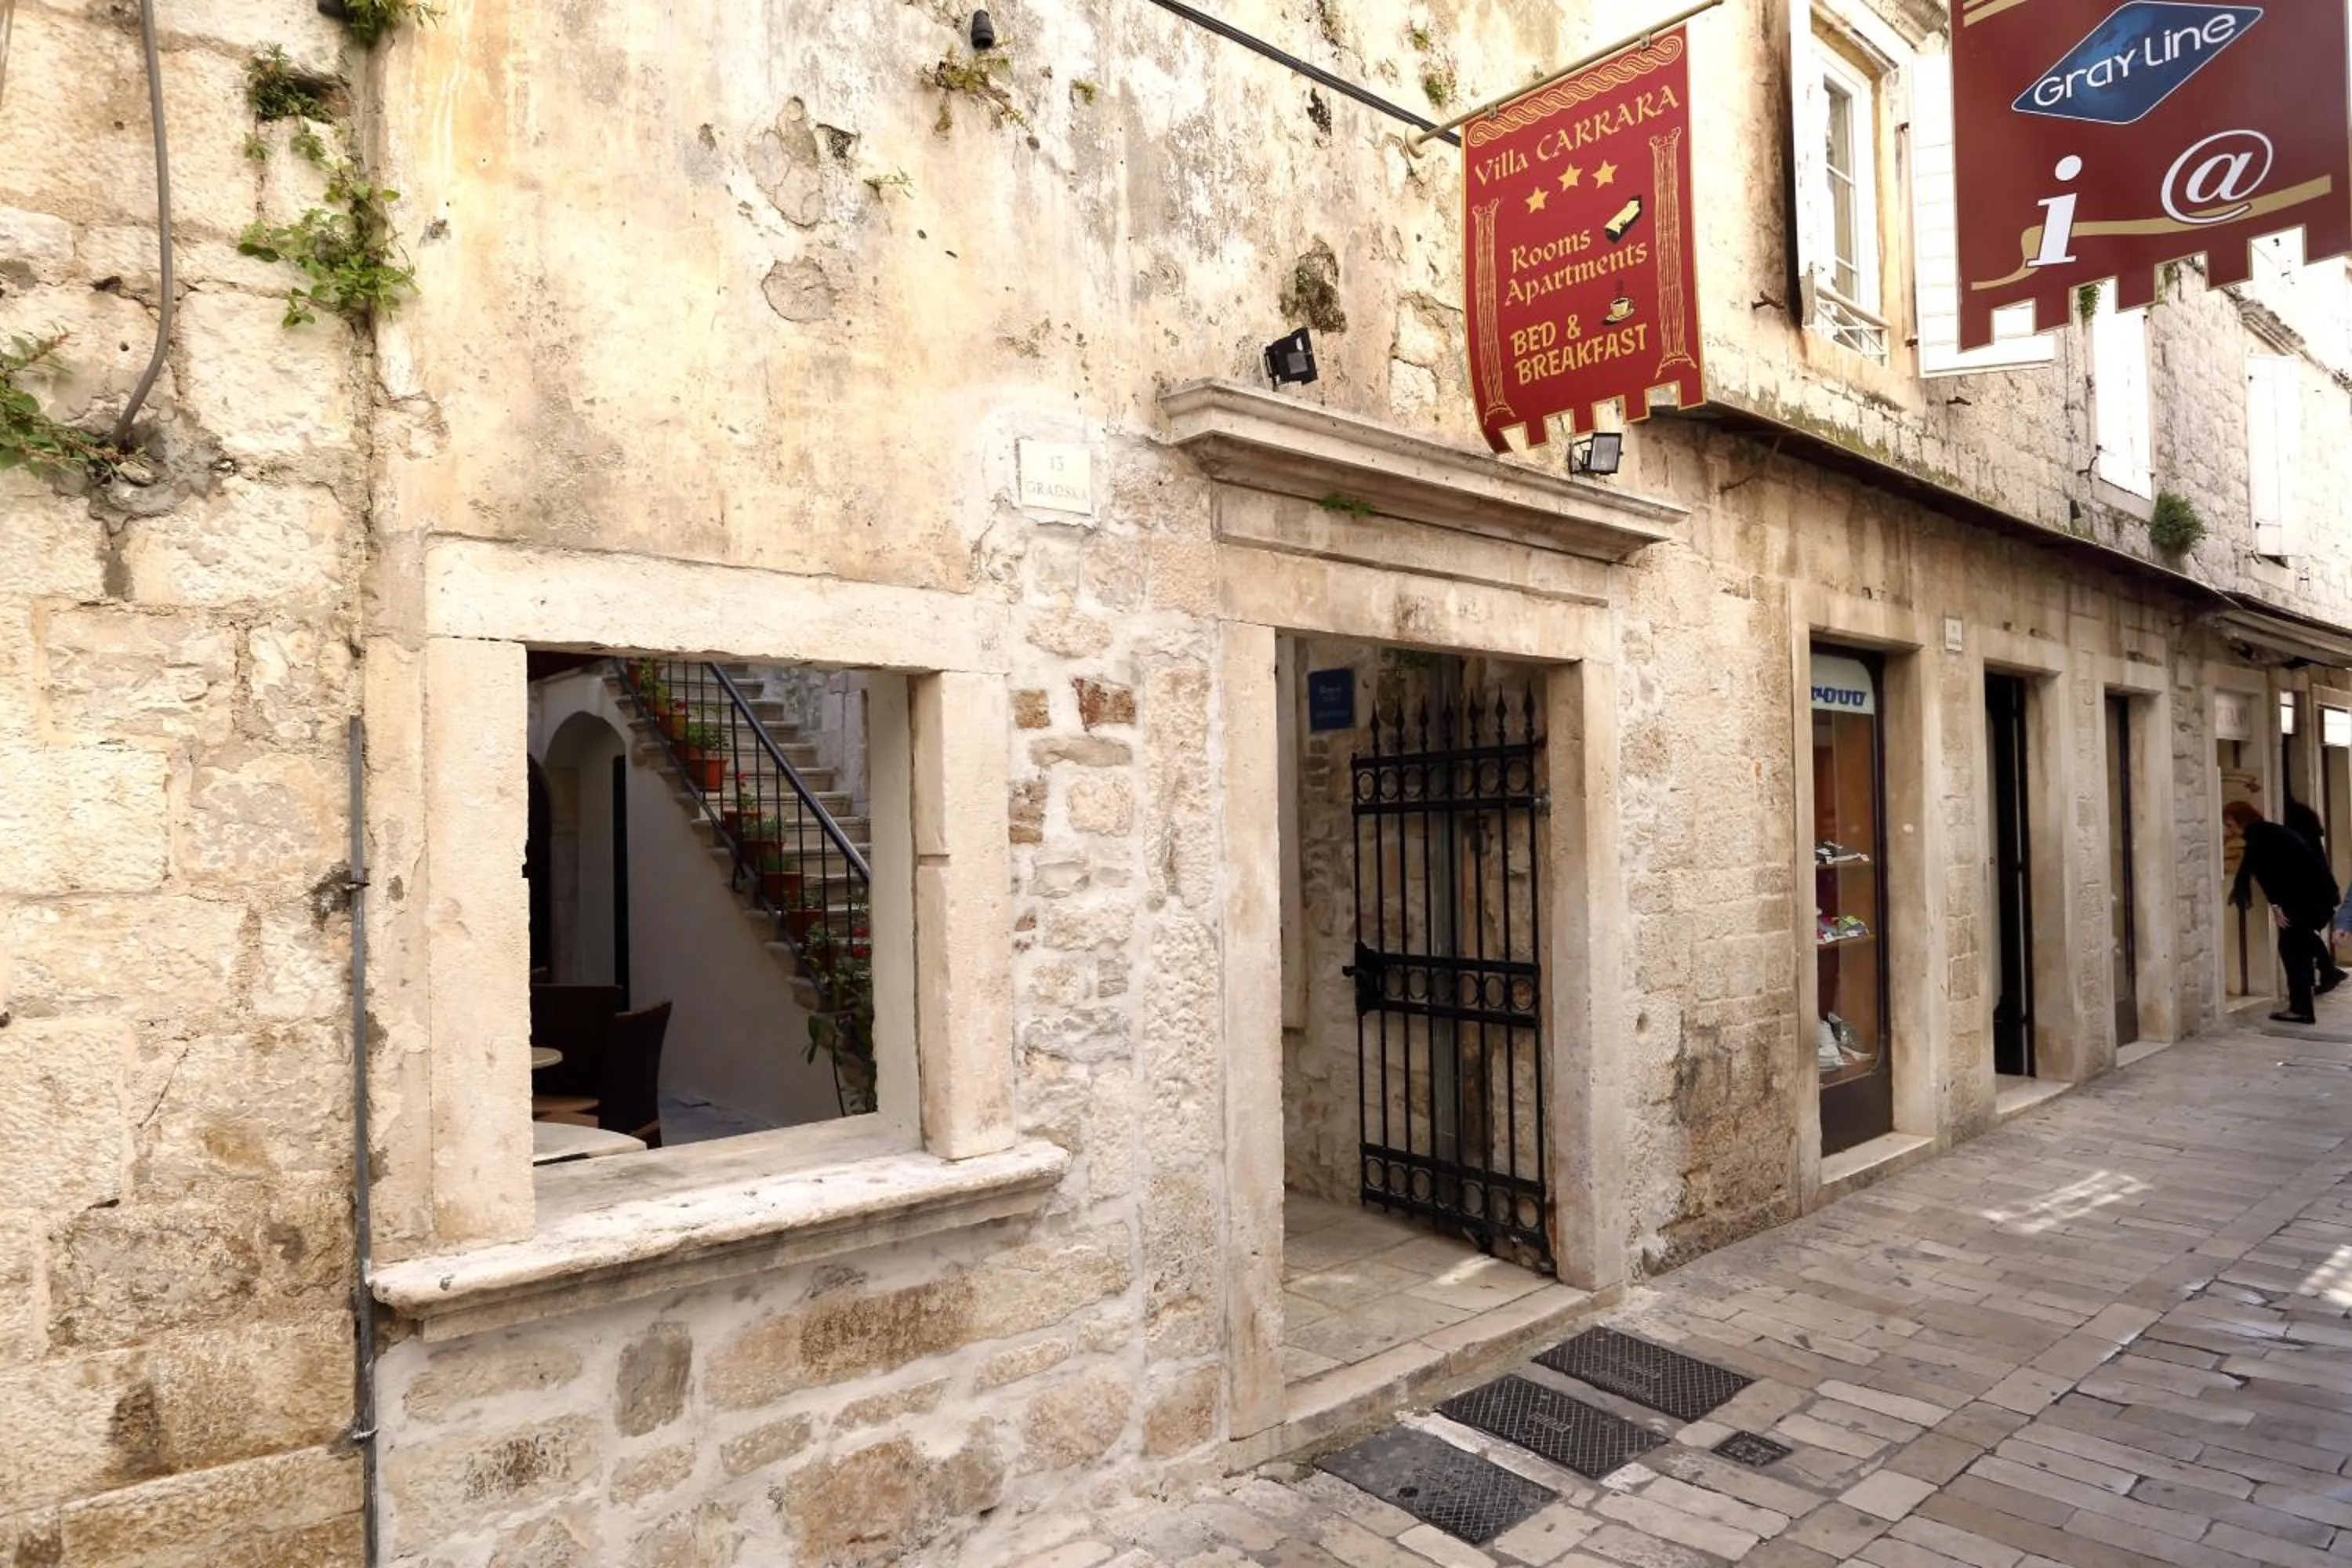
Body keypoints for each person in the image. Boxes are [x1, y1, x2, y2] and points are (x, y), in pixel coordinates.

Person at [2225, 800, 2344, 1022]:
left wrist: (2278, 907)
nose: (2229, 830)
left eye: (2230, 824)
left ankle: (2301, 1009)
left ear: (2241, 820)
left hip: (2306, 900)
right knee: (2298, 945)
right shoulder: (2267, 832)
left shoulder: (2260, 837)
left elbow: (2271, 876)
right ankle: (2316, 986)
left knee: (2292, 949)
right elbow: (2259, 869)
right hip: (2315, 897)